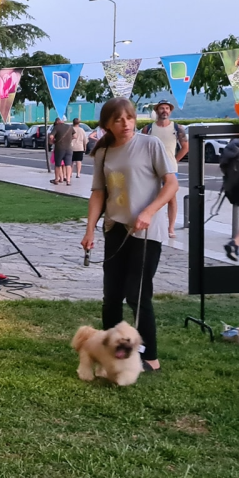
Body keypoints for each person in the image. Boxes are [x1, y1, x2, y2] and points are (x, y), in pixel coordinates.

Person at [81, 97, 178, 373]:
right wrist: (90, 229)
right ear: (107, 125)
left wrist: (149, 211)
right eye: (118, 120)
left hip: (146, 232)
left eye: (129, 118)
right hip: (116, 228)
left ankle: (150, 357)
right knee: (111, 296)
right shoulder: (103, 152)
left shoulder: (150, 144)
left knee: (137, 294)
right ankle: (111, 352)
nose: (125, 124)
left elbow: (171, 184)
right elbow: (98, 193)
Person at [140, 100, 188, 239]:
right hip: (151, 168)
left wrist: (175, 160)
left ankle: (170, 227)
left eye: (167, 108)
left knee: (171, 197)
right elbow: (142, 147)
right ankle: (149, 222)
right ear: (157, 111)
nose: (164, 111)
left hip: (170, 168)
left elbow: (185, 147)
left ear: (170, 111)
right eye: (162, 108)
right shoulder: (148, 129)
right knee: (150, 196)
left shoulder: (177, 128)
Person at [49, 117, 74, 186]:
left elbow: (51, 136)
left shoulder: (57, 127)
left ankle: (57, 179)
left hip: (59, 148)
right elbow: (75, 136)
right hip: (69, 148)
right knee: (68, 164)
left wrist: (53, 141)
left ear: (58, 121)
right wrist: (69, 139)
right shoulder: (70, 127)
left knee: (58, 164)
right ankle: (68, 180)